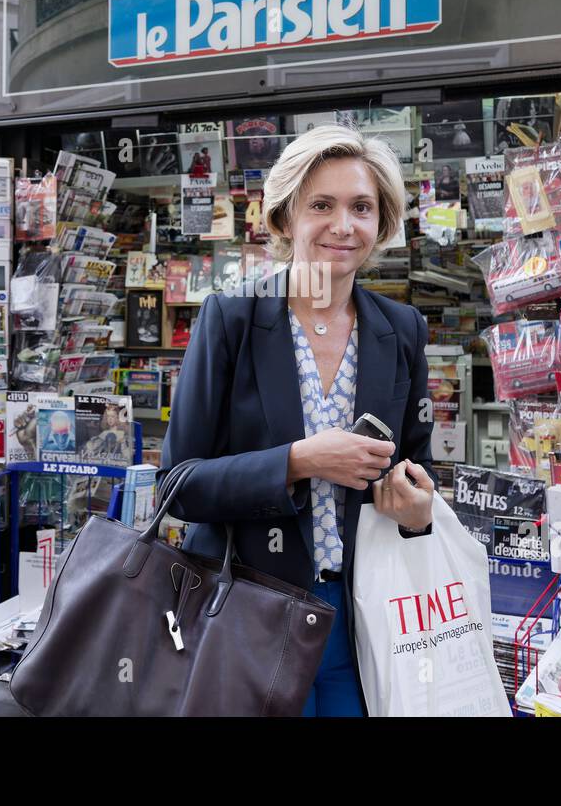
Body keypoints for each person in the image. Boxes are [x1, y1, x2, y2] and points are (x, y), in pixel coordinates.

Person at [160, 124, 436, 717]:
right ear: (283, 219)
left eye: (362, 207)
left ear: (381, 222)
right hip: (247, 614)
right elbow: (178, 484)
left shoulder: (403, 330)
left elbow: (417, 466)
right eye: (322, 205)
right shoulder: (232, 319)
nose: (344, 225)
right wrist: (297, 462)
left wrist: (418, 512)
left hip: (365, 620)